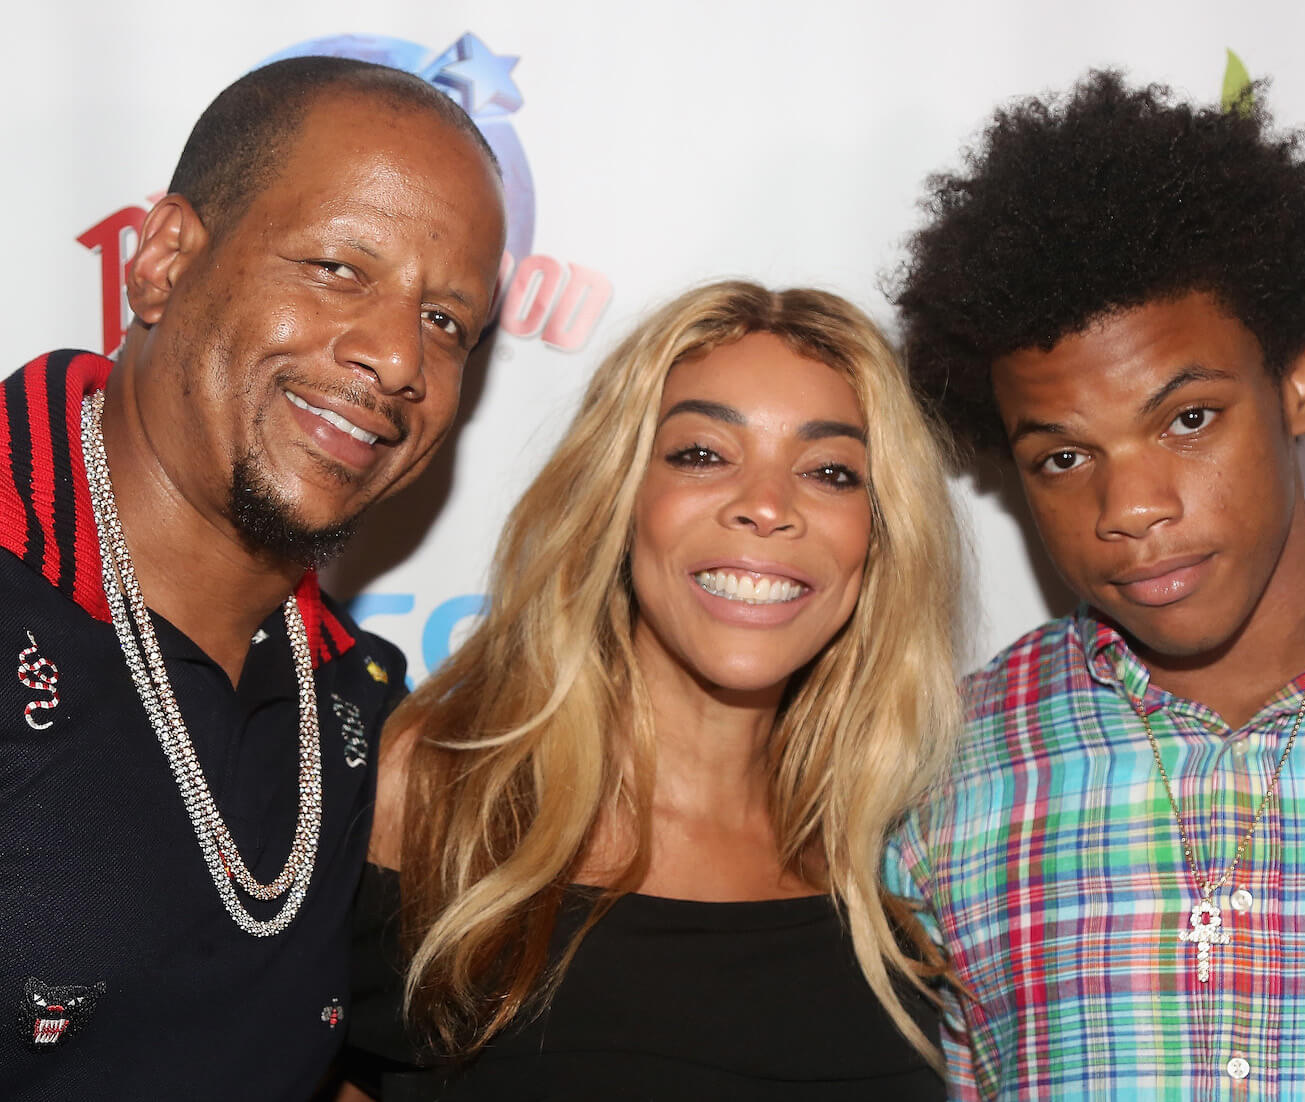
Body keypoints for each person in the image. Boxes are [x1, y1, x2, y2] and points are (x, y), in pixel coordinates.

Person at [884, 70, 1305, 1099]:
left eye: (1188, 419)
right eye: (1064, 459)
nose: (1133, 507)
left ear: (1299, 380)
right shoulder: (945, 773)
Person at [0, 57, 506, 1099]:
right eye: (338, 268)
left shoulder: (360, 701)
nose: (399, 357)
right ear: (165, 260)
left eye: (447, 321)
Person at [340, 281, 964, 1100]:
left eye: (830, 471)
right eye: (702, 454)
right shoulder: (438, 794)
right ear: (622, 497)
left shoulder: (899, 855)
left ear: (880, 536)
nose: (768, 506)